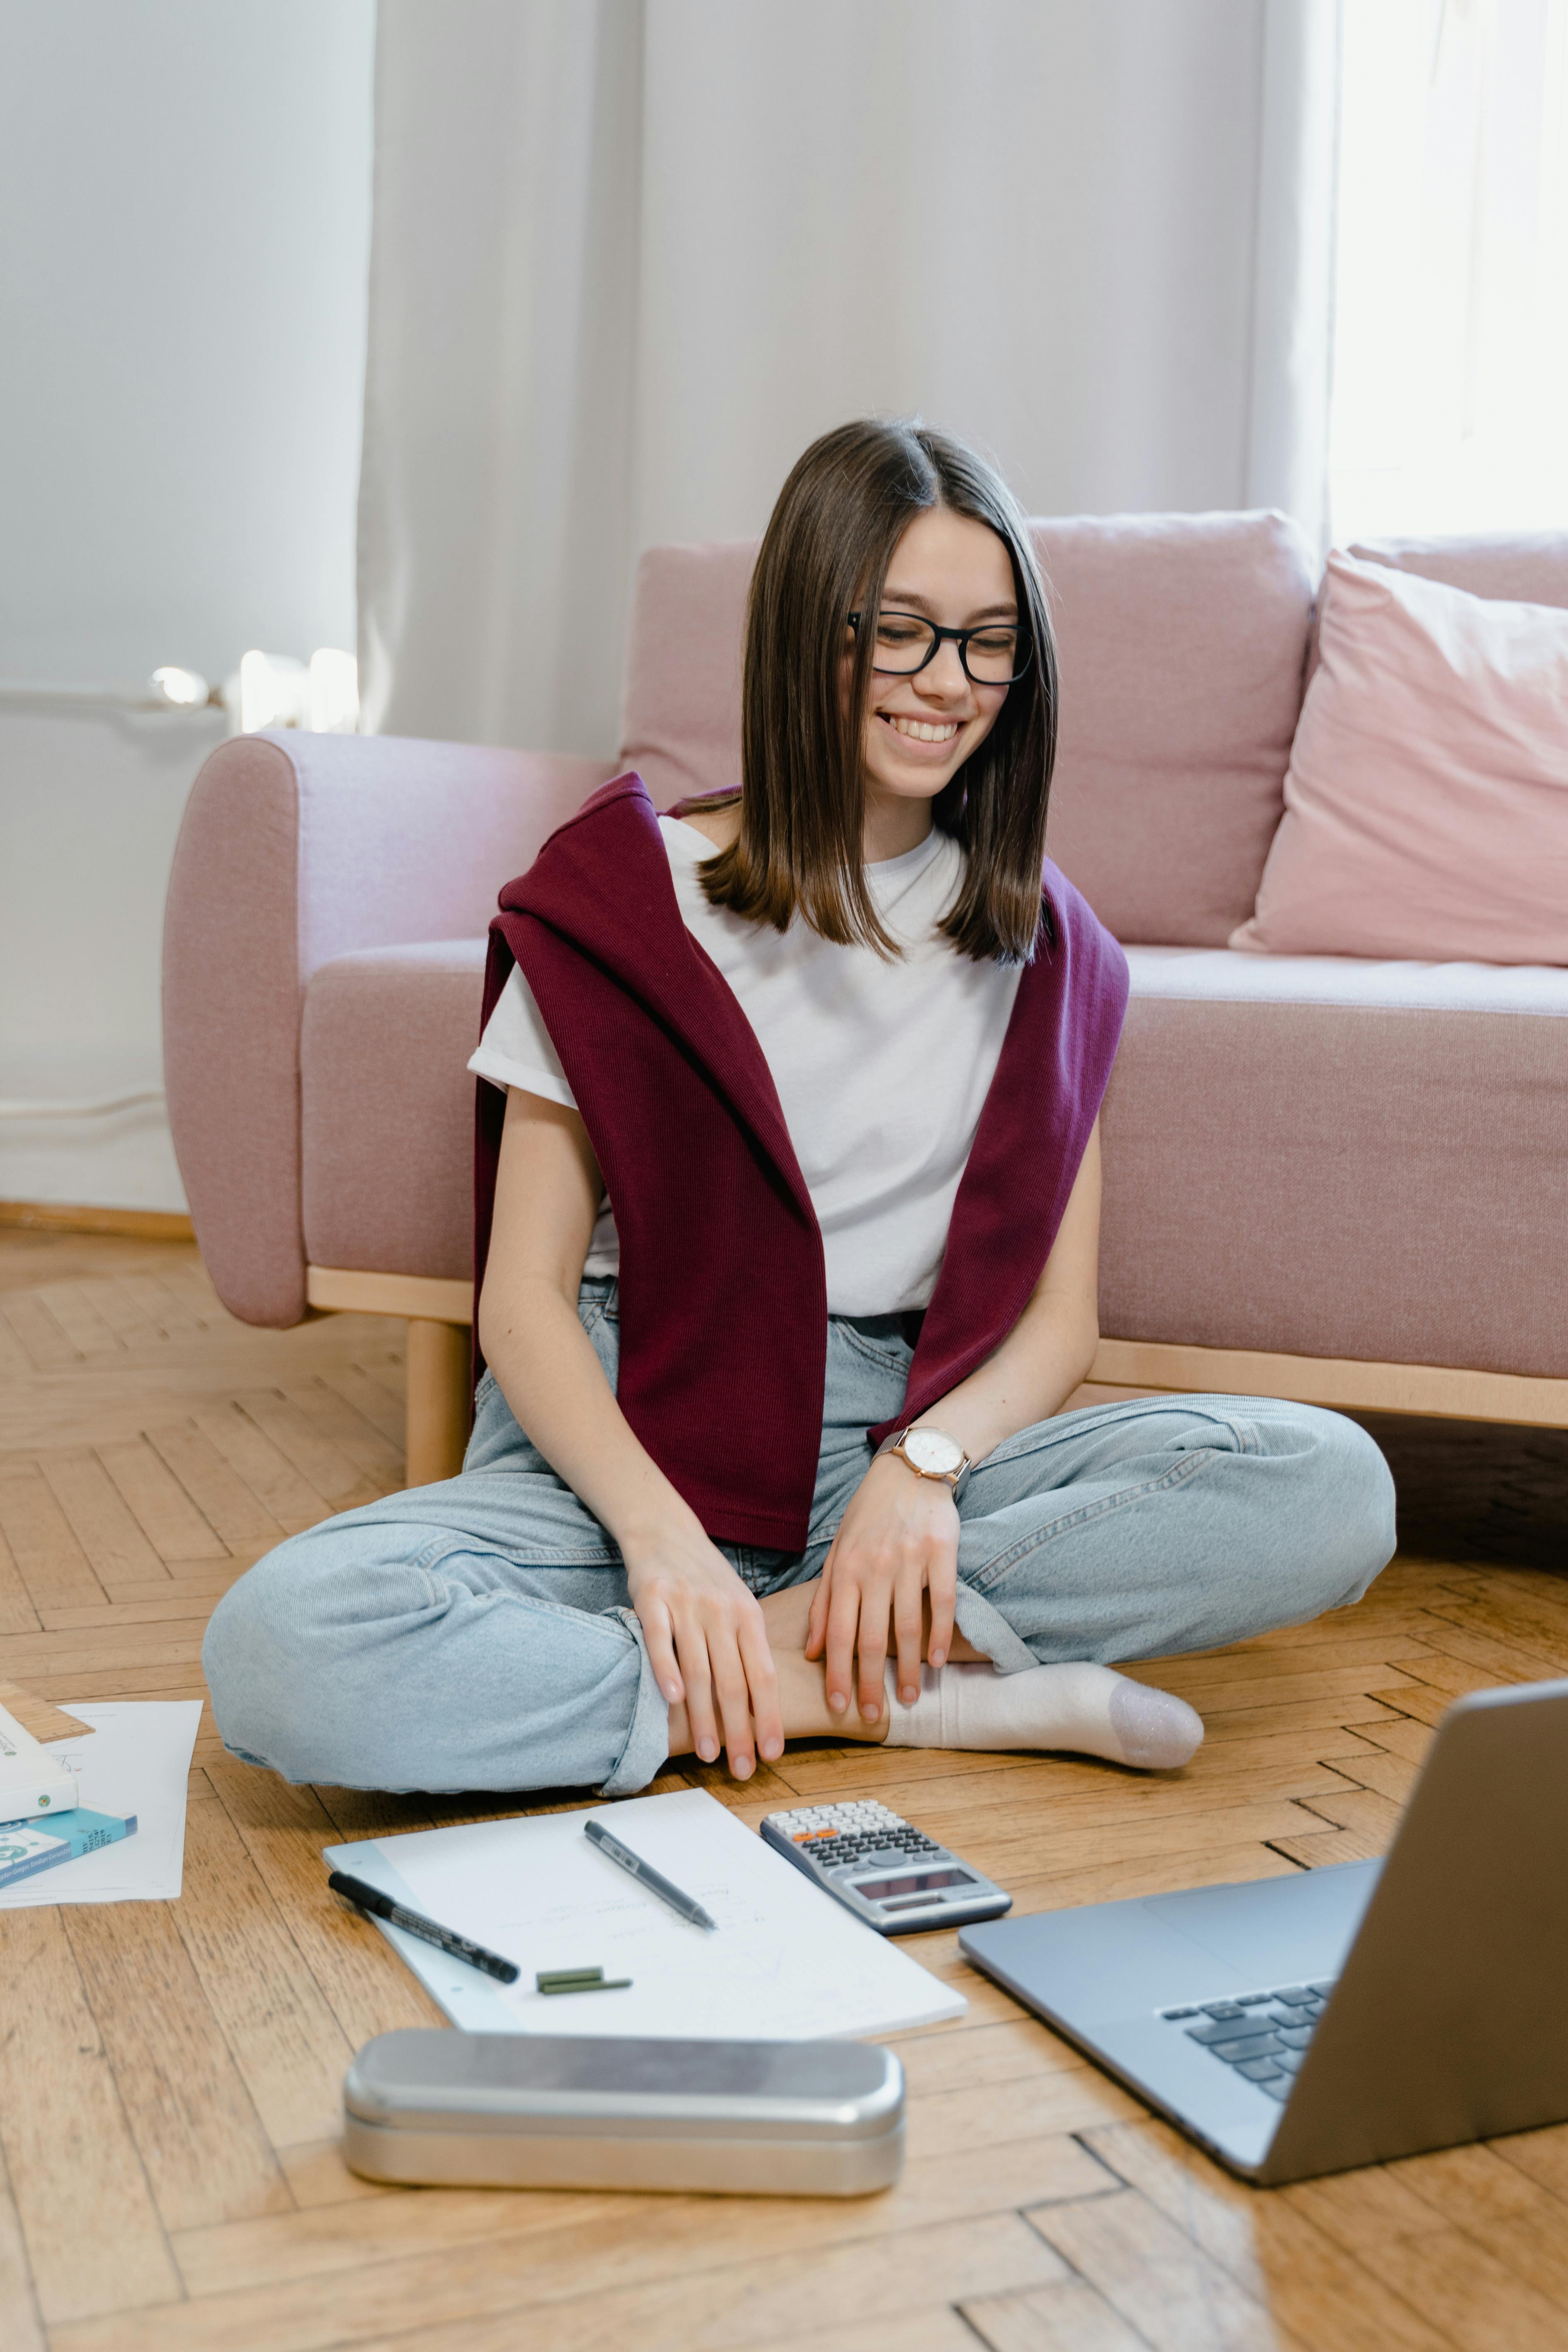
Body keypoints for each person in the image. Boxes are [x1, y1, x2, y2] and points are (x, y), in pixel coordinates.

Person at [203, 418, 1395, 1797]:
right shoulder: (624, 900)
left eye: (987, 640)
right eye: (900, 632)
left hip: (890, 1433)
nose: (947, 683)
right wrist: (656, 1538)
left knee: (1332, 1484)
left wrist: (924, 1472)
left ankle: (750, 1661)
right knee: (284, 1645)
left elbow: (1061, 1321)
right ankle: (866, 1688)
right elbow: (521, 1298)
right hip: (625, 1431)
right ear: (805, 633)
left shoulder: (1048, 948)